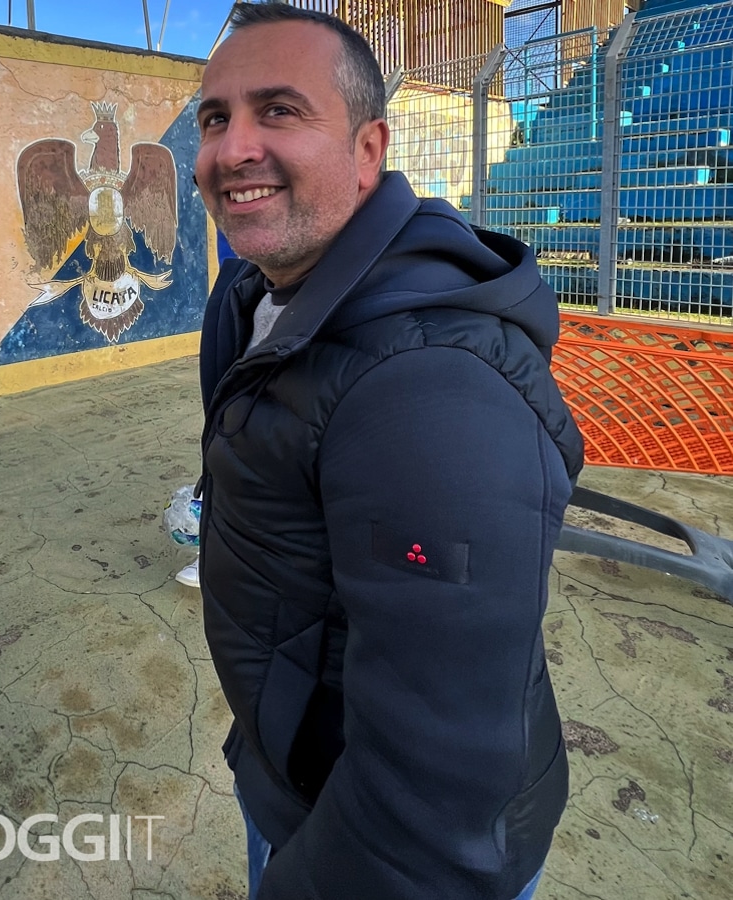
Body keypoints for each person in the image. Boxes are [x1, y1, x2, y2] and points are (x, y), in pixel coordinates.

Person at [192, 4, 584, 899]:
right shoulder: (252, 295)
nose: (231, 148)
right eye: (214, 119)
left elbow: (431, 807)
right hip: (291, 775)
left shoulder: (429, 387)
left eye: (278, 110)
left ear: (368, 149)